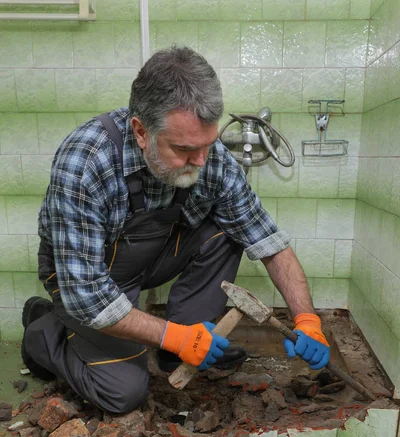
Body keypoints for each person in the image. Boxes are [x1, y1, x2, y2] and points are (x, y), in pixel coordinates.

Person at [22, 46, 330, 415]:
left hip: (150, 259)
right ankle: (44, 332)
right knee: (123, 392)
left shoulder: (209, 159)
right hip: (88, 280)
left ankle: (177, 352)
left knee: (229, 230)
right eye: (184, 149)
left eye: (207, 146)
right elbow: (88, 295)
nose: (201, 161)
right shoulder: (86, 161)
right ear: (140, 131)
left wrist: (308, 320)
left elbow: (269, 243)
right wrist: (175, 334)